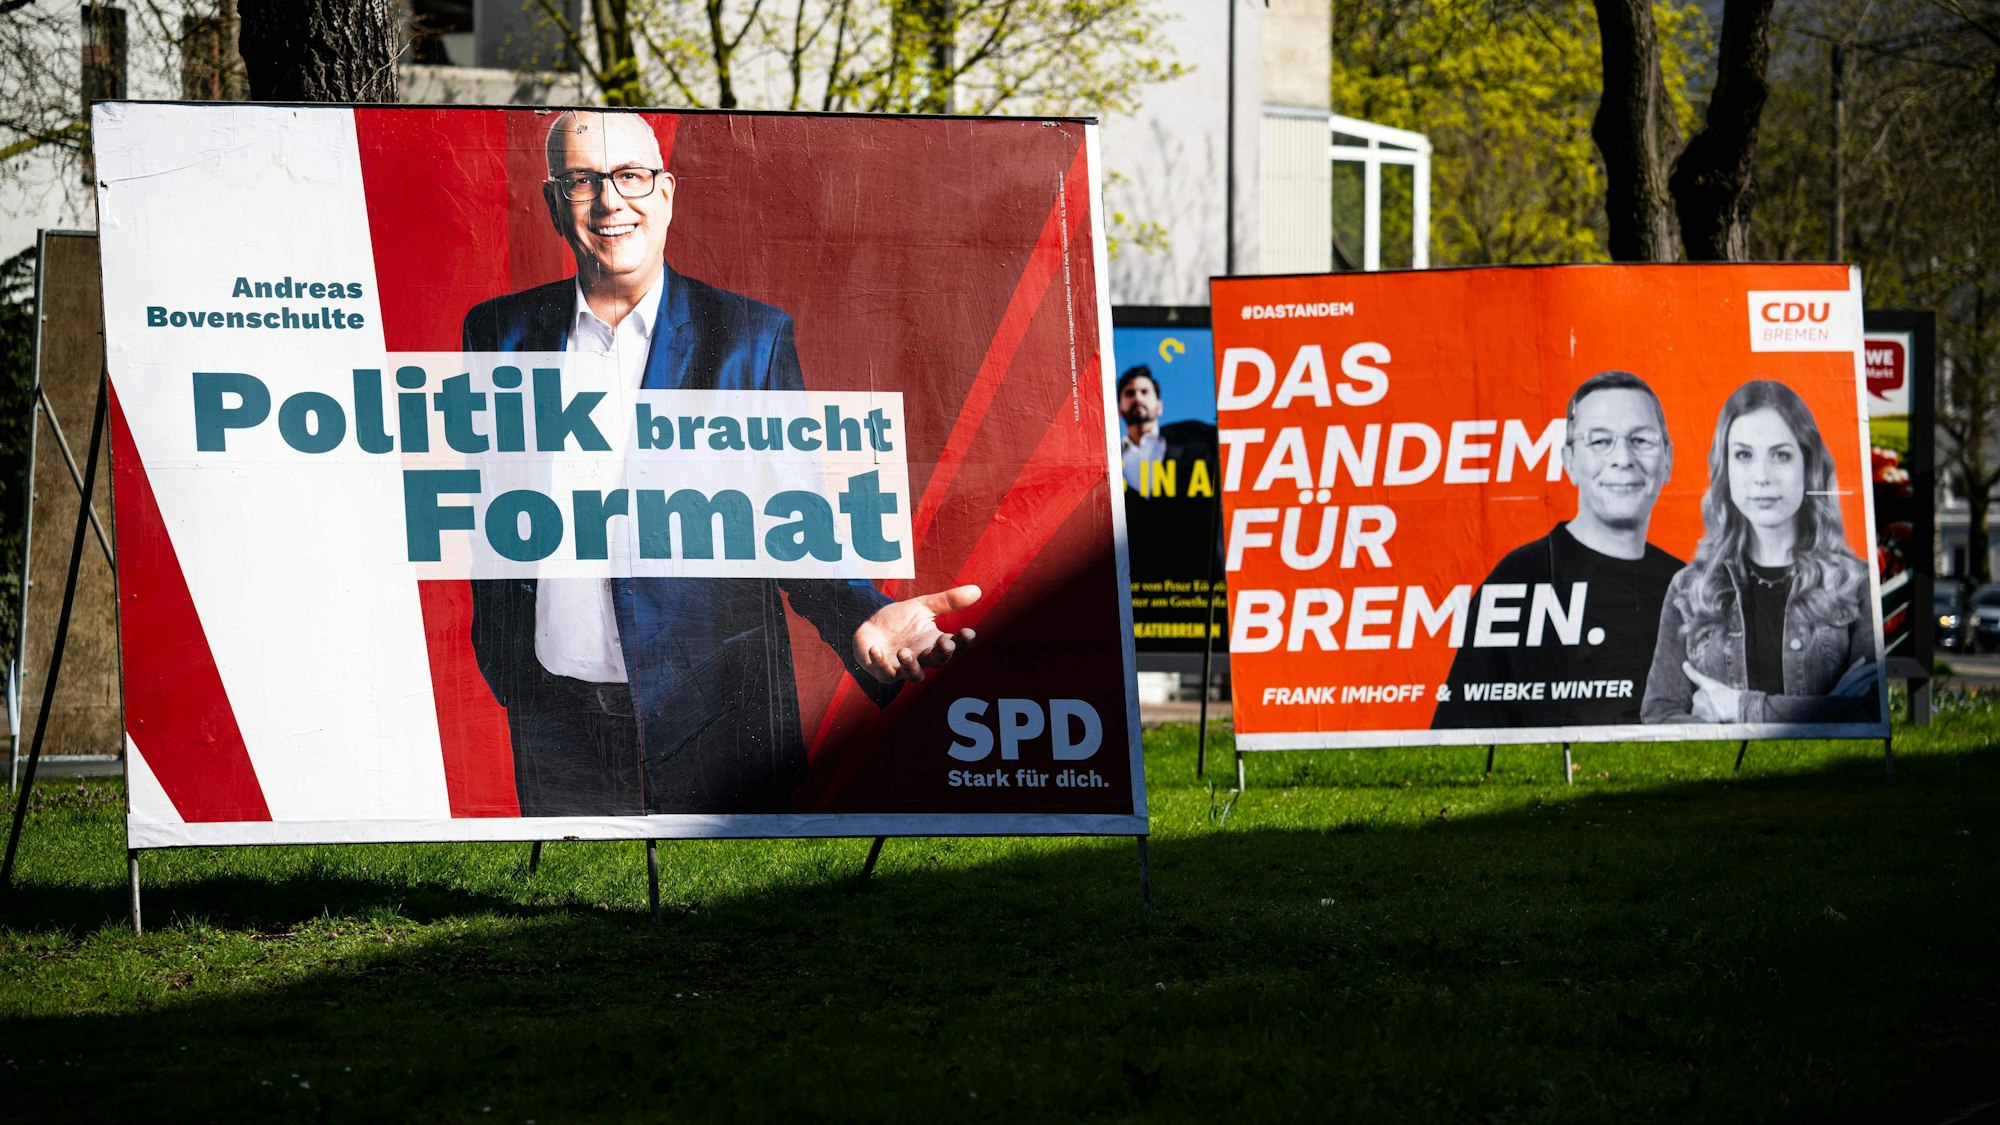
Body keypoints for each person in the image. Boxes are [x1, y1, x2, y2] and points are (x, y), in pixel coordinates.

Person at [463, 110, 979, 816]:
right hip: (554, 714)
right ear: (556, 203)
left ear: (666, 194)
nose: (610, 200)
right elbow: (485, 499)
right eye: (583, 180)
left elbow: (792, 521)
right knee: (557, 923)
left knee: (721, 925)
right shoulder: (499, 331)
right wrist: (512, 667)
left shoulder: (748, 338)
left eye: (631, 177)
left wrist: (863, 614)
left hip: (709, 720)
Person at [1432, 371, 1686, 729]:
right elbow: (1460, 730)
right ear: (1569, 462)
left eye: (1641, 440)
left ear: (1668, 459)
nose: (1623, 459)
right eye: (1600, 442)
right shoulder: (1519, 578)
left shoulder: (1690, 586)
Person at [1642, 381, 1879, 725]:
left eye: (1781, 455)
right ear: (1725, 469)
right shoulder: (1689, 588)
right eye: (1743, 455)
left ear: (1808, 466)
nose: (1761, 477)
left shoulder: (1854, 583)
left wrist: (1737, 708)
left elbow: (1871, 710)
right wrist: (1829, 706)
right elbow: (1658, 714)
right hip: (1721, 776)